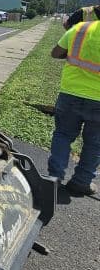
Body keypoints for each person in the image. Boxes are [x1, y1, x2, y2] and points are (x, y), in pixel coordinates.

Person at [48, 18, 100, 195]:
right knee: (95, 144)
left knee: (63, 135)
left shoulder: (81, 28)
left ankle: (54, 178)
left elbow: (55, 53)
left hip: (71, 93)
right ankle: (82, 182)